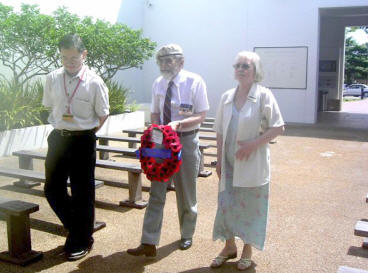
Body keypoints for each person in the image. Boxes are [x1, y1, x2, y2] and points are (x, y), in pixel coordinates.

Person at [127, 44, 209, 257]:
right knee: (156, 192)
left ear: (181, 62)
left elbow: (201, 114)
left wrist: (178, 125)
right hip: (161, 144)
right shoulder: (158, 83)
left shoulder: (195, 81)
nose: (164, 64)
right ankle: (149, 241)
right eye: (161, 60)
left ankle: (187, 233)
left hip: (186, 142)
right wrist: (155, 132)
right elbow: (155, 113)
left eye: (169, 60)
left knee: (186, 193)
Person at [210, 51, 284, 270]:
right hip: (230, 164)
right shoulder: (226, 97)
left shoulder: (264, 95)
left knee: (251, 207)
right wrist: (219, 161)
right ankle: (229, 246)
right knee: (227, 205)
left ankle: (247, 250)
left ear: (255, 71)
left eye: (246, 66)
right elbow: (220, 132)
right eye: (237, 66)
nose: (240, 69)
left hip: (253, 164)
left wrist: (253, 144)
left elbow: (278, 127)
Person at [42, 33, 109, 261]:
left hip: (82, 140)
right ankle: (80, 229)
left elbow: (103, 114)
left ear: (84, 54)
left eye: (74, 57)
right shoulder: (52, 78)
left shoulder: (94, 81)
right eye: (64, 57)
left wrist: (86, 134)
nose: (70, 62)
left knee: (82, 192)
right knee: (52, 189)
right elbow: (50, 106)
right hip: (58, 138)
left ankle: (81, 239)